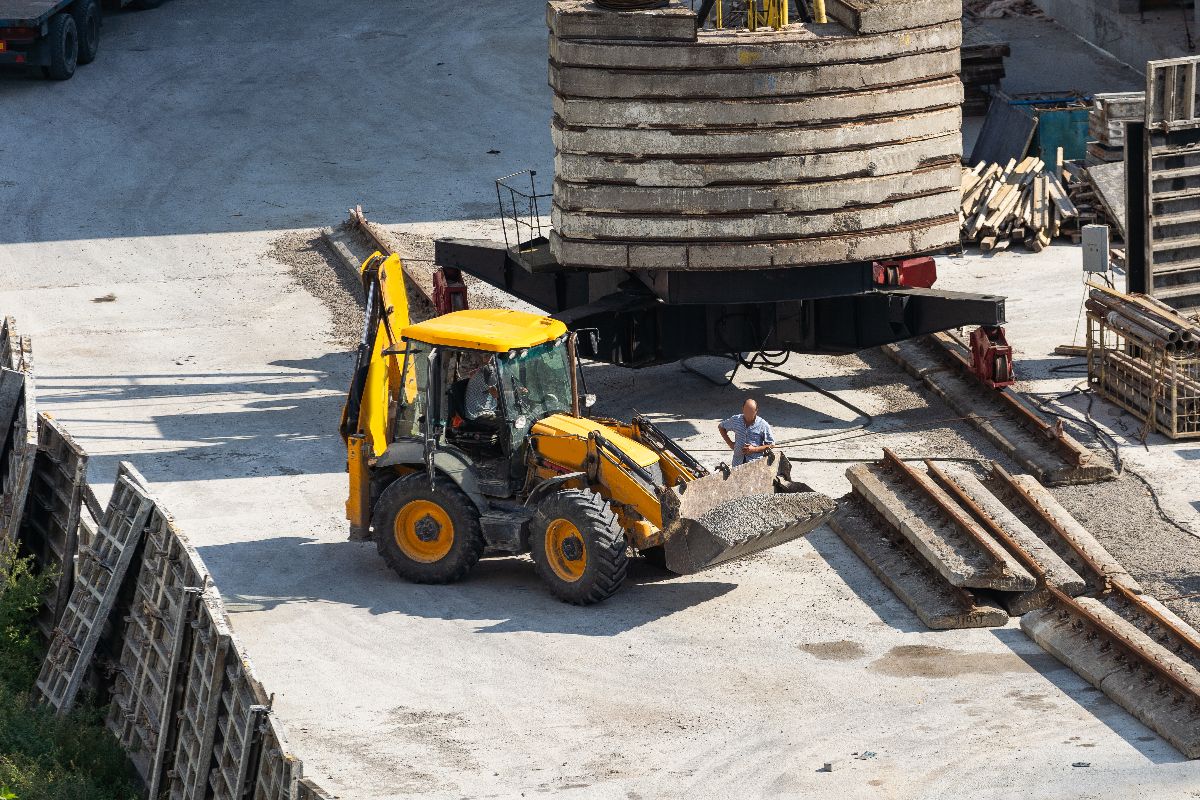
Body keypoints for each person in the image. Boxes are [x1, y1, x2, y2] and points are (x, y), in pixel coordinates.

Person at [718, 398, 774, 467]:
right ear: (742, 409)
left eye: (751, 413)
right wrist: (730, 443)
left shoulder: (763, 424)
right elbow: (721, 427)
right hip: (737, 462)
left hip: (754, 463)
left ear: (756, 411)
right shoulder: (736, 420)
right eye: (746, 412)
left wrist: (754, 449)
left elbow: (771, 445)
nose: (748, 416)